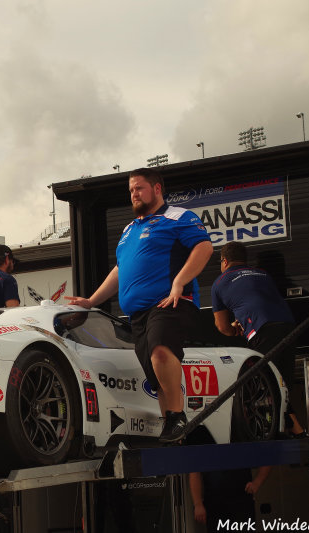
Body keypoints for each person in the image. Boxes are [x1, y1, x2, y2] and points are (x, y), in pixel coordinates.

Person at [66, 167, 213, 442]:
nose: (134, 194)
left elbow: (204, 248)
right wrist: (91, 300)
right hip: (138, 313)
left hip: (170, 302)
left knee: (159, 351)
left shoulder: (178, 217)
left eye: (139, 188)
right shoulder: (129, 229)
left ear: (157, 189)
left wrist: (179, 282)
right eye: (131, 190)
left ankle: (177, 415)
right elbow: (120, 270)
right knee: (154, 375)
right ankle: (172, 430)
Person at [211, 241, 305, 436]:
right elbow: (255, 298)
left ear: (224, 261)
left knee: (266, 384)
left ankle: (281, 432)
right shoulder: (263, 274)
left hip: (263, 329)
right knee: (283, 384)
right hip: (288, 325)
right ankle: (296, 432)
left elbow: (222, 327)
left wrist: (235, 329)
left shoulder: (220, 282)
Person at [189, 466, 271, 532]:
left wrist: (257, 482)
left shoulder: (243, 445)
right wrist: (198, 503)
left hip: (242, 501)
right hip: (214, 503)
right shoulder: (205, 446)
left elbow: (267, 455)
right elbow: (195, 470)